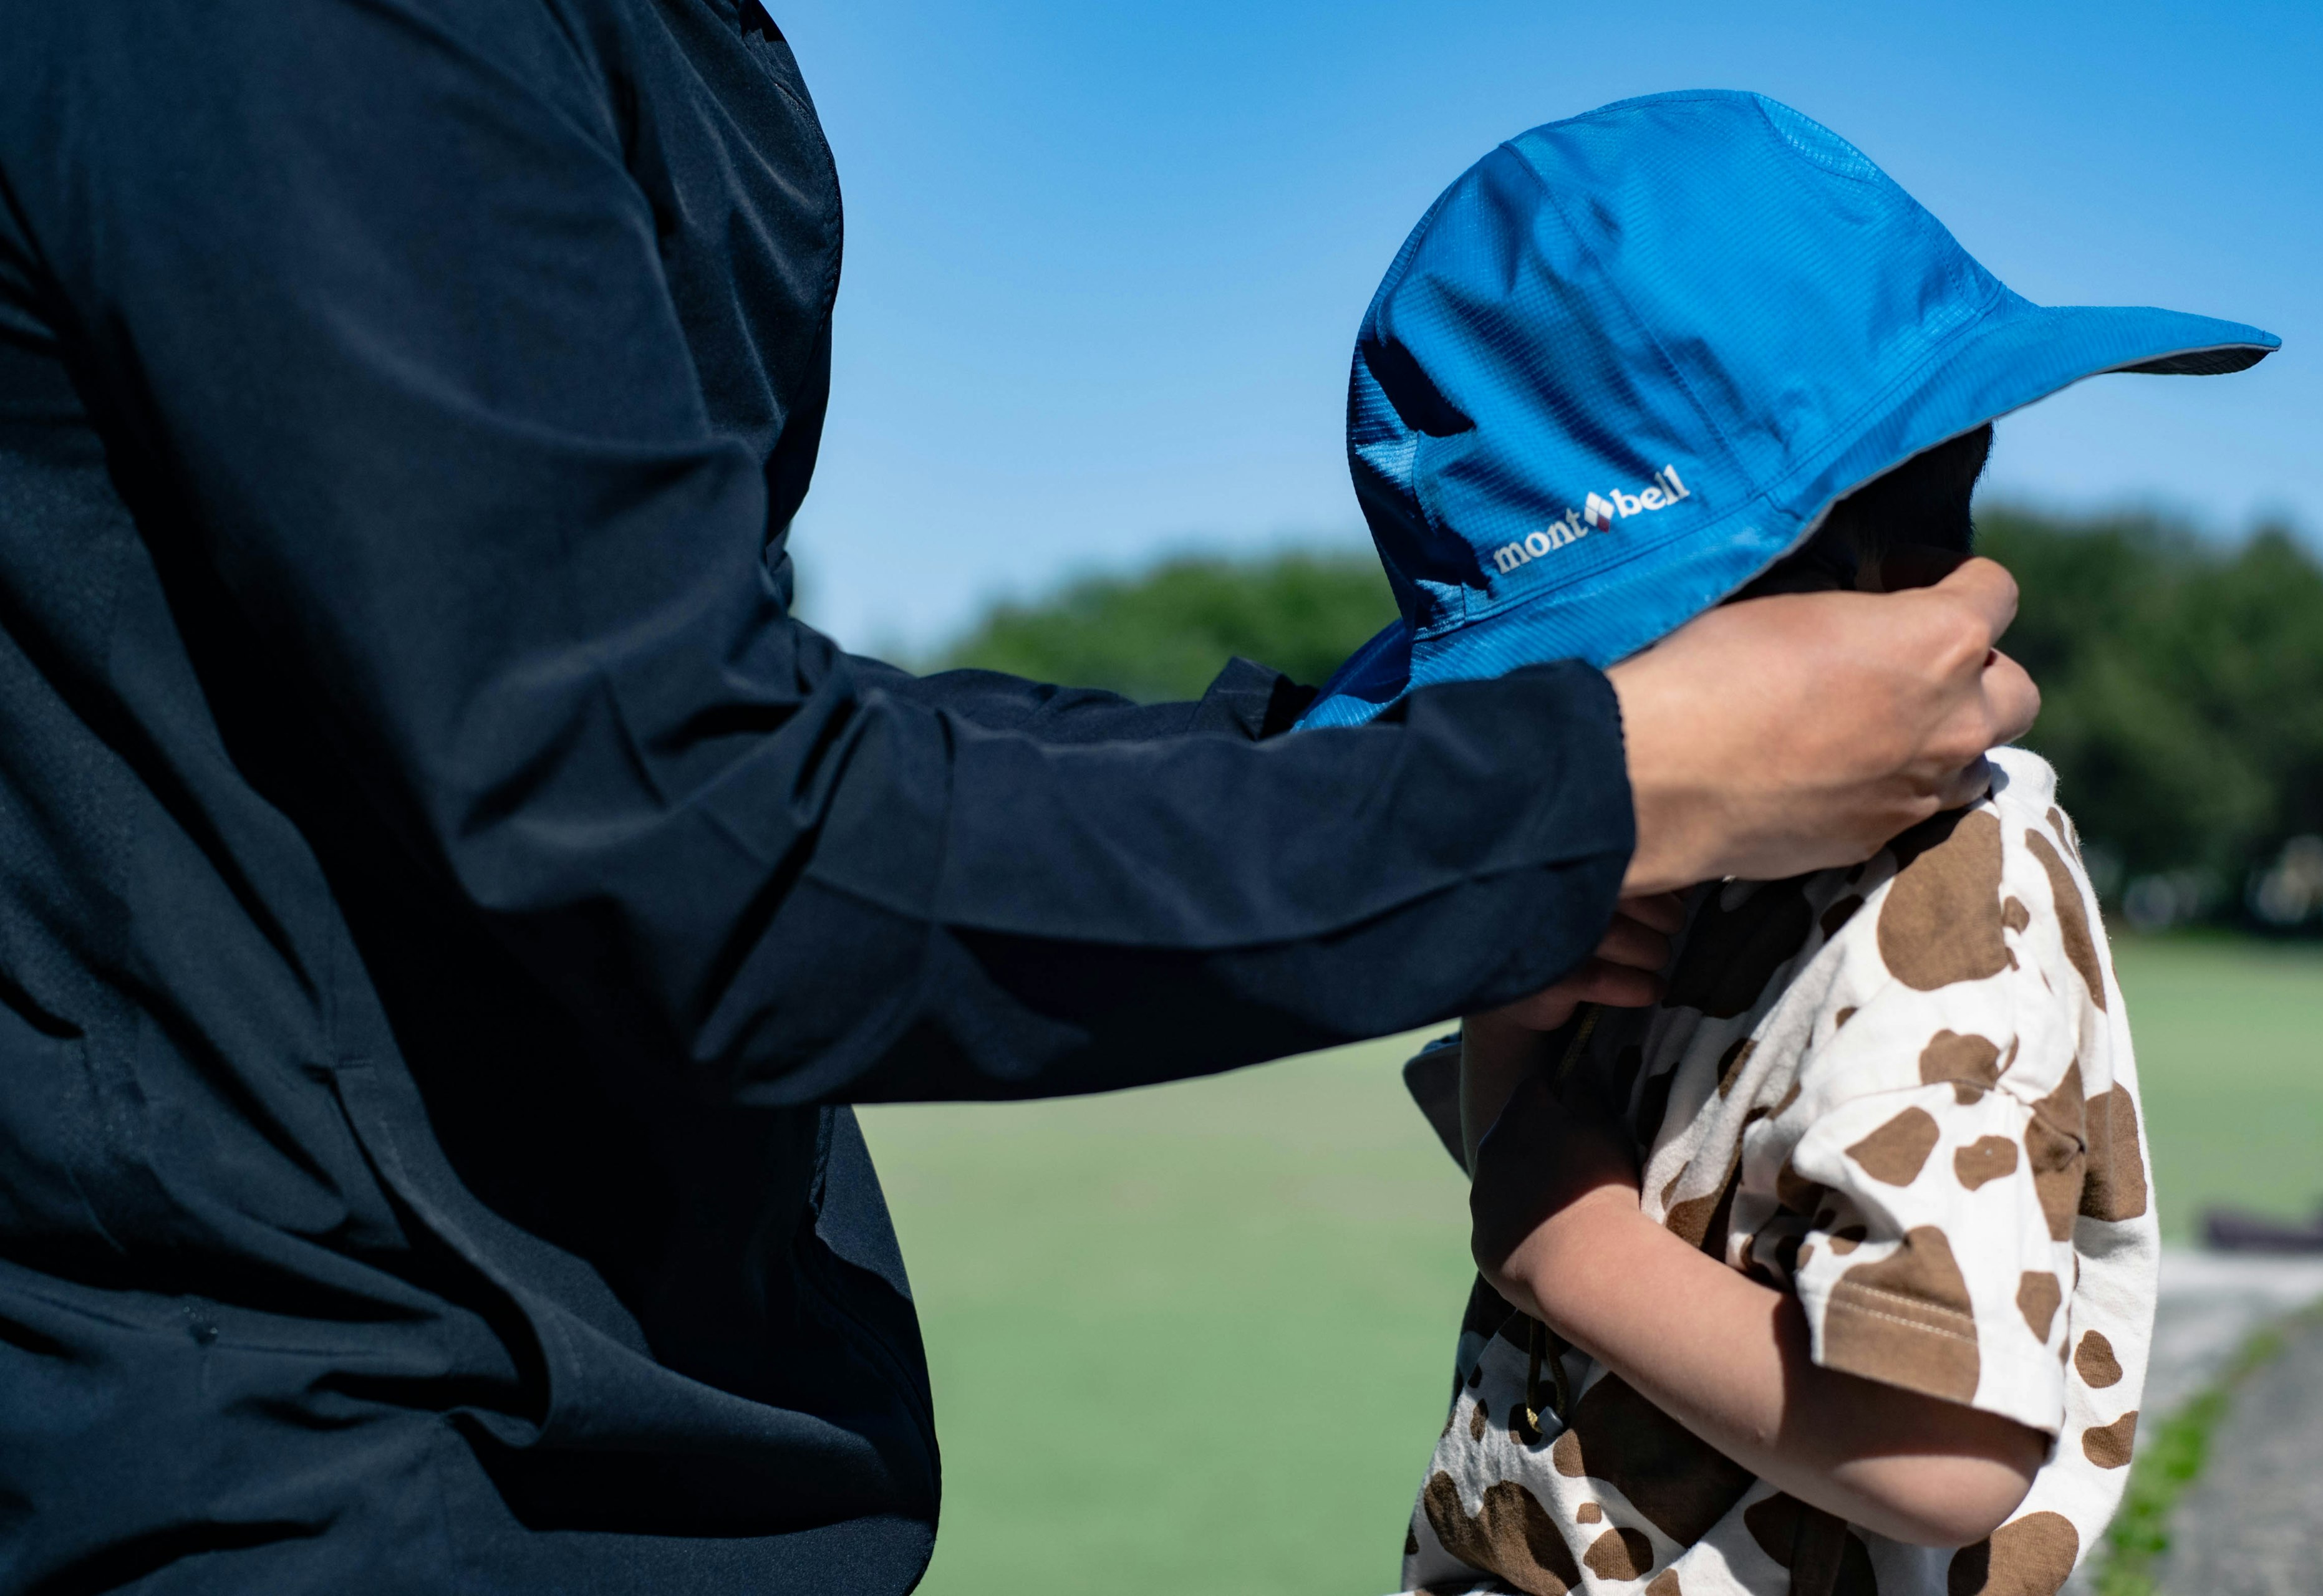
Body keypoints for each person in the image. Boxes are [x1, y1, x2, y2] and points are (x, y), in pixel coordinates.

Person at [0, 14, 2040, 1591]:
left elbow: (710, 719)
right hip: (340, 1473)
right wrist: (1580, 795)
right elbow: (687, 834)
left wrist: (1455, 779)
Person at [1321, 95, 2276, 1596]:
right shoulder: (1684, 854)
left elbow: (1936, 1451)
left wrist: (1561, 1244)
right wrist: (1518, 1010)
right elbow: (1542, 1152)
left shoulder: (1949, 894)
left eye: (1583, 684)